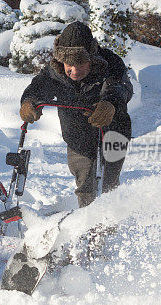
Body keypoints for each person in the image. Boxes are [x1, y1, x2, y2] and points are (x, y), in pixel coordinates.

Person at [19, 21, 133, 208]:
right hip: (78, 134)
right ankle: (87, 226)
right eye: (69, 64)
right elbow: (39, 86)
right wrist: (29, 101)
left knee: (108, 184)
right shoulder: (54, 71)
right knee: (85, 185)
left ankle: (108, 223)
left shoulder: (110, 63)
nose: (74, 70)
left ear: (92, 58)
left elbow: (120, 87)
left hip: (114, 131)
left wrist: (110, 104)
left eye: (81, 64)